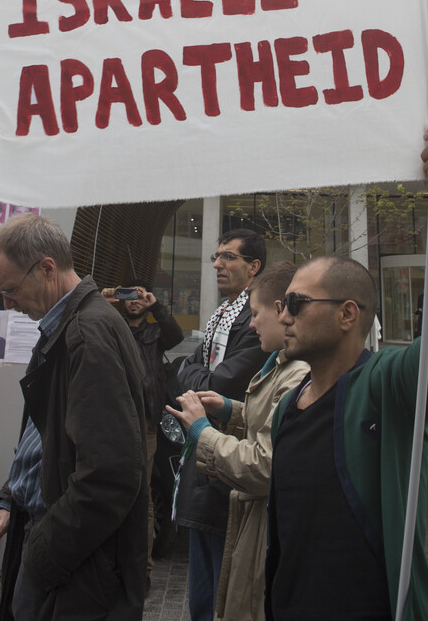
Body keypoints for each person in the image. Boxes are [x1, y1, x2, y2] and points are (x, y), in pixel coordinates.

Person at [265, 123, 428, 621]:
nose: (284, 316)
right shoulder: (286, 408)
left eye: (297, 303)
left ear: (348, 315)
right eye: (282, 304)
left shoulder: (387, 386)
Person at [0, 213, 148, 621]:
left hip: (74, 559)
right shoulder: (66, 328)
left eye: (10, 290)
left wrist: (44, 553)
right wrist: (12, 503)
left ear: (47, 268)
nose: (8, 305)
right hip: (60, 544)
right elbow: (45, 439)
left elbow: (111, 473)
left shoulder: (86, 334)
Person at [167, 261, 309, 621]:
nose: (252, 322)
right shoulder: (279, 361)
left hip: (248, 513)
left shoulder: (295, 370)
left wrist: (202, 431)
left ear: (280, 310)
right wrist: (233, 409)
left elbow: (265, 462)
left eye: (256, 314)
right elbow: (271, 418)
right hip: (236, 510)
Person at [174, 229, 267, 621]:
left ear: (253, 267)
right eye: (216, 256)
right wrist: (194, 372)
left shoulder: (254, 320)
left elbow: (219, 383)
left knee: (220, 592)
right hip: (204, 469)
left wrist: (193, 373)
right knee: (203, 590)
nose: (216, 264)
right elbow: (184, 368)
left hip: (229, 475)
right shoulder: (220, 317)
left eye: (228, 257)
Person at [101, 283, 183, 579]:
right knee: (108, 488)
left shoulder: (154, 333)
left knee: (142, 493)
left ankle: (142, 569)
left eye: (139, 296)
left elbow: (177, 336)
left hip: (146, 422)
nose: (133, 301)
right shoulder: (111, 326)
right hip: (113, 420)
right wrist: (101, 301)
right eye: (128, 296)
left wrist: (156, 305)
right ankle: (110, 562)